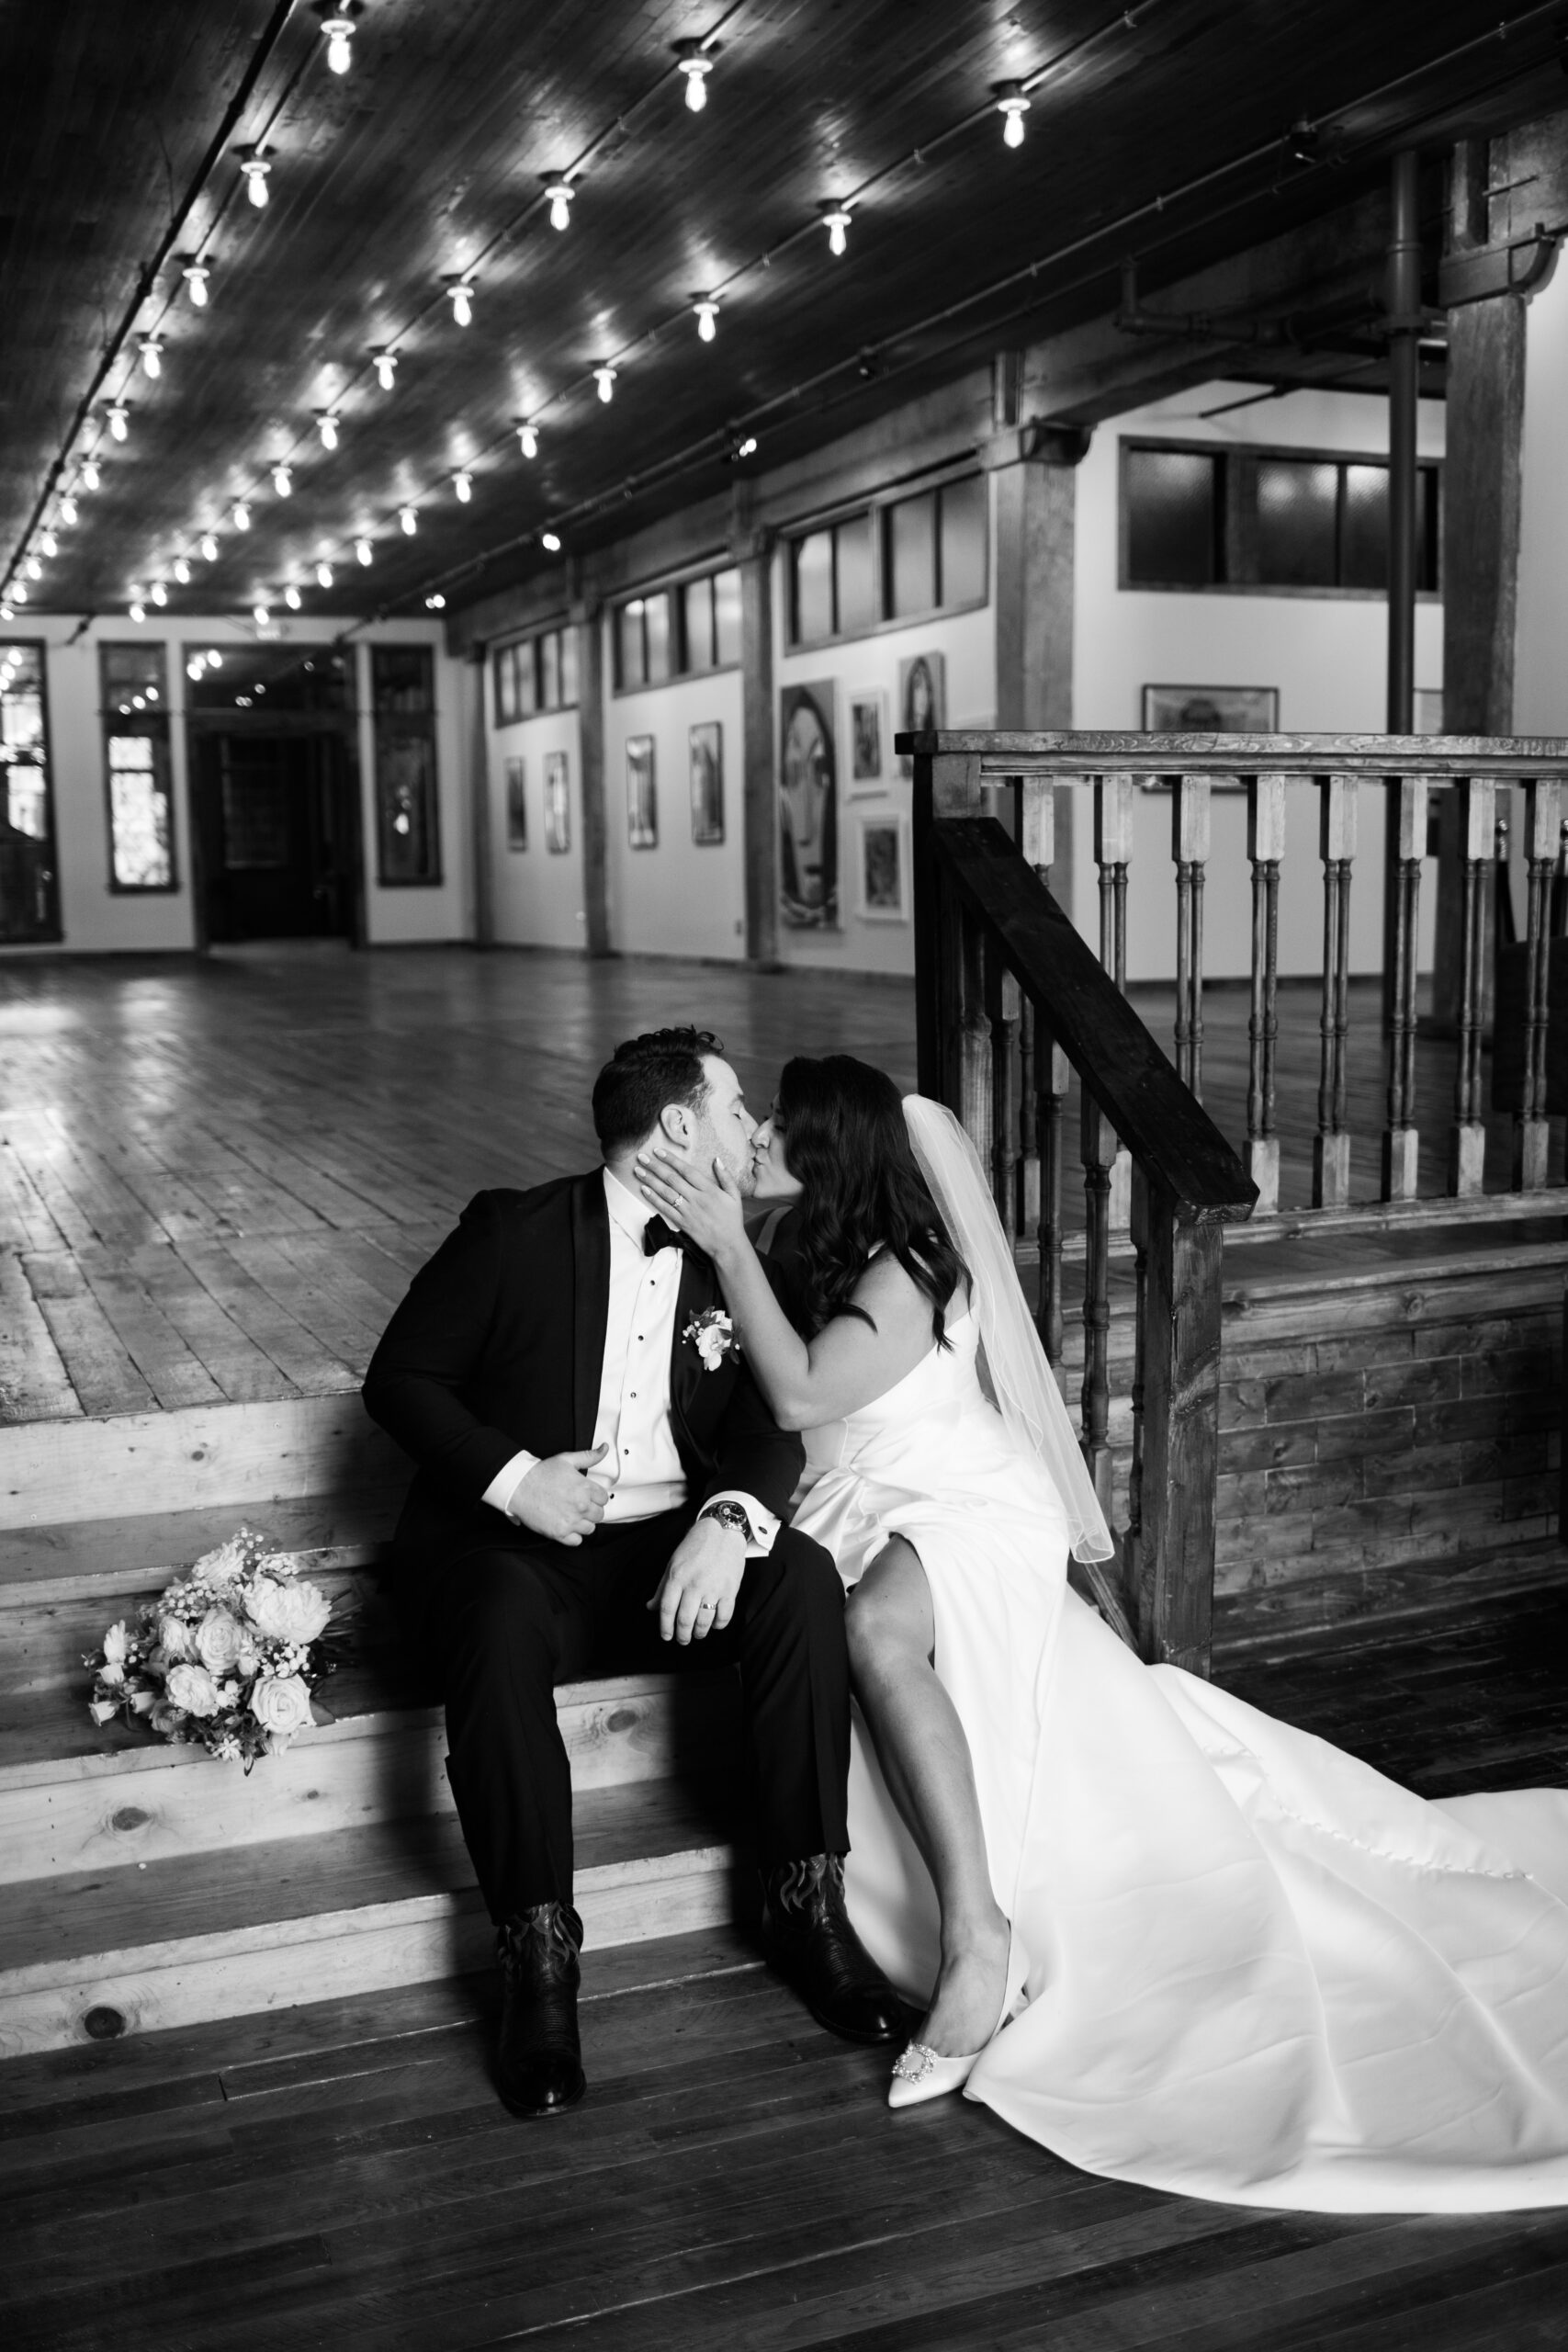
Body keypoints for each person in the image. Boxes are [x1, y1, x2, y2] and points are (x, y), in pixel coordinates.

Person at [634, 1056, 1568, 2213]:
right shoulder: (797, 1251)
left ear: (833, 1153)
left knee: (877, 1629)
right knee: (821, 1609)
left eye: (784, 1122)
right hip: (861, 1499)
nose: (762, 1133)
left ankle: (981, 1939)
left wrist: (726, 1241)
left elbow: (800, 1398)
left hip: (959, 1504)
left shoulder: (911, 1270)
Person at [362, 1028, 903, 2120]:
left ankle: (806, 1903)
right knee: (494, 1608)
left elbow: (770, 1427)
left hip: (670, 1557)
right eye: (737, 1105)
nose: (755, 1128)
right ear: (678, 1126)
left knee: (795, 1573)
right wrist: (516, 1482)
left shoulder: (746, 1260)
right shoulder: (513, 1229)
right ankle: (539, 1957)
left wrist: (730, 1516)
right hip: (529, 1554)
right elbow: (400, 1379)